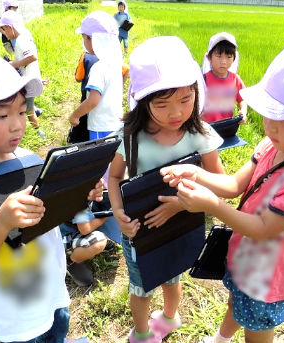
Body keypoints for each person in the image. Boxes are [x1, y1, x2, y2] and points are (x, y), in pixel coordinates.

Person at [160, 38, 284, 343]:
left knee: (256, 329)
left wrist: (210, 205)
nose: (271, 126)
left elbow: (264, 228)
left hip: (268, 280)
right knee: (235, 303)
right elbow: (236, 186)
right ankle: (221, 339)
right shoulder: (272, 145)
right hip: (243, 256)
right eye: (269, 114)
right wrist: (196, 173)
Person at [0, 52, 104, 343]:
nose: (17, 124)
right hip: (16, 319)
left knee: (59, 335)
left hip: (54, 296)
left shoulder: (25, 157)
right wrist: (1, 221)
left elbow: (50, 211)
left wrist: (82, 195)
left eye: (21, 111)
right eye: (2, 115)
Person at [107, 36, 225, 343]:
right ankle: (143, 333)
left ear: (196, 93)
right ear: (141, 100)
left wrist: (180, 203)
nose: (176, 113)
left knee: (173, 274)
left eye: (185, 100)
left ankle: (171, 317)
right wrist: (119, 213)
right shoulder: (131, 136)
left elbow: (223, 186)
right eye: (162, 104)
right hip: (139, 229)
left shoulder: (200, 133)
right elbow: (116, 178)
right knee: (142, 286)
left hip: (180, 225)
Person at [69, 11, 123, 141]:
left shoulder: (98, 68)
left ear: (92, 39)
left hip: (100, 127)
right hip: (116, 123)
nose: (83, 41)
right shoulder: (116, 63)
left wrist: (75, 115)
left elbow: (93, 100)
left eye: (84, 37)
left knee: (101, 160)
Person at [0, 10, 46, 139]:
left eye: (4, 30)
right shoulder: (21, 38)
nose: (5, 34)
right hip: (28, 79)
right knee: (22, 106)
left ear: (10, 27)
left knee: (27, 108)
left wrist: (14, 64)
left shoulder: (21, 41)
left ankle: (37, 132)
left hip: (28, 81)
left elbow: (33, 57)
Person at [59, 203, 120, 287]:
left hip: (74, 227)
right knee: (99, 241)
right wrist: (106, 215)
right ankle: (70, 261)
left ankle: (82, 246)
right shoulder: (78, 197)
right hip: (63, 237)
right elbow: (85, 229)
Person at [201, 32, 247, 124]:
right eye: (218, 56)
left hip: (227, 127)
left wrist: (243, 111)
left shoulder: (235, 79)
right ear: (209, 57)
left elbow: (243, 98)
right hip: (207, 129)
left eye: (229, 57)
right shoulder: (203, 80)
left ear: (234, 58)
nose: (223, 62)